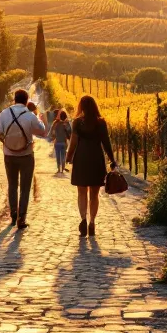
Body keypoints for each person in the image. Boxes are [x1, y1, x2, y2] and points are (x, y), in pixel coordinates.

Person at [0, 88, 47, 230]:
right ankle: (21, 218)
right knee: (25, 188)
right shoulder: (30, 115)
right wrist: (38, 115)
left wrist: (7, 144)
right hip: (26, 155)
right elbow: (42, 130)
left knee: (12, 185)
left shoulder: (4, 113)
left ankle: (13, 214)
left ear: (14, 99)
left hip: (9, 155)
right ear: (27, 100)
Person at [68, 94, 117, 237]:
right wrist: (112, 159)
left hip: (81, 159)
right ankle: (92, 223)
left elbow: (73, 142)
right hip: (96, 158)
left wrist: (69, 156)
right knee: (94, 195)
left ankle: (83, 219)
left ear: (81, 107)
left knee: (81, 192)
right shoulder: (101, 122)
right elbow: (106, 142)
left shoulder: (77, 122)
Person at [49, 109, 73, 174]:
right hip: (64, 142)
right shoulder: (67, 123)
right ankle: (62, 169)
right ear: (65, 116)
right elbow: (70, 132)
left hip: (57, 142)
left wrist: (54, 137)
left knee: (58, 156)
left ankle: (58, 169)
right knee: (63, 156)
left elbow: (51, 133)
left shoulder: (55, 123)